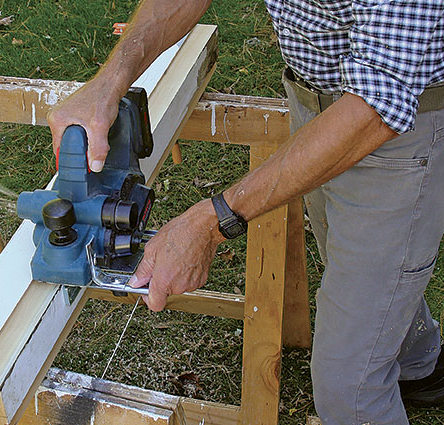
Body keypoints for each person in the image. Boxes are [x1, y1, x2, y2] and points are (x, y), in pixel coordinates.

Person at [47, 0, 444, 423]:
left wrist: (212, 221)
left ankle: (390, 368)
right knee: (364, 265)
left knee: (350, 389)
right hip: (314, 97)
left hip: (394, 126)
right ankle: (422, 366)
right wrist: (109, 82)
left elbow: (376, 104)